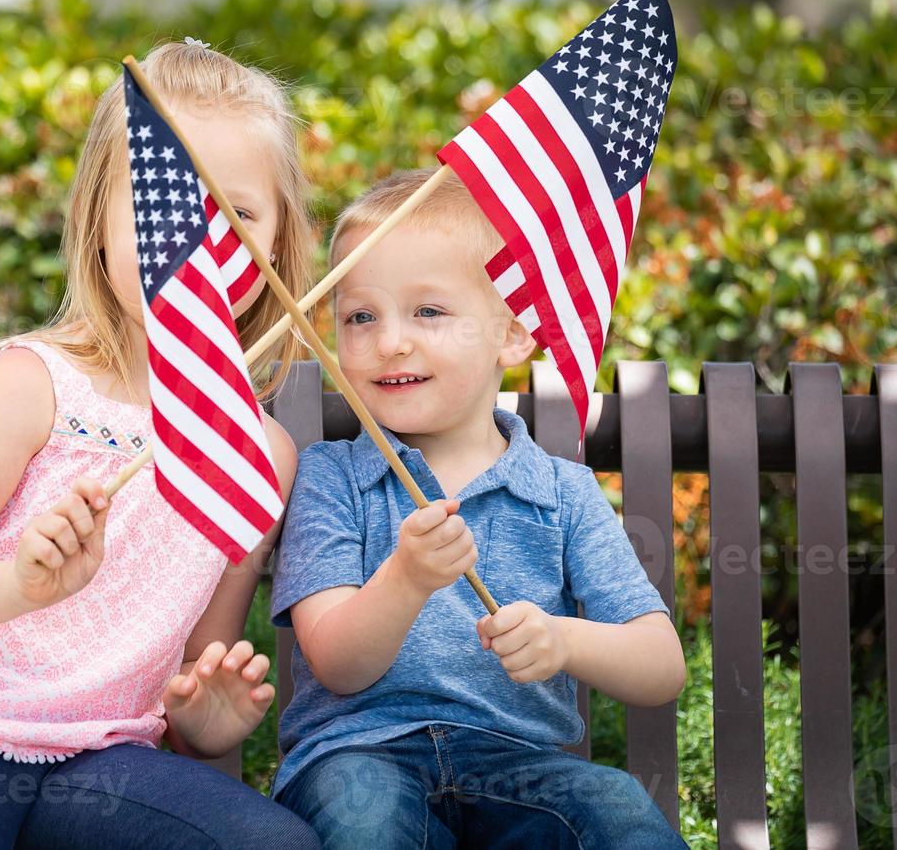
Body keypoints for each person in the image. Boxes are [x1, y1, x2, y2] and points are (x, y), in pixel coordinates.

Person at [0, 40, 322, 849]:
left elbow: (195, 671)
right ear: (98, 218)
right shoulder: (32, 383)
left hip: (101, 757)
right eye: (162, 203)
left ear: (277, 243)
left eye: (236, 212)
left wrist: (206, 717)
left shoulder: (256, 454)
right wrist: (21, 586)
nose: (196, 237)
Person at [270, 168, 688, 848]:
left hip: (519, 764)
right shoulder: (332, 478)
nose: (391, 341)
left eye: (429, 311)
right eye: (359, 316)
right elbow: (338, 664)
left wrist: (564, 639)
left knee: (613, 805)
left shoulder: (561, 491)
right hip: (360, 758)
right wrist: (406, 578)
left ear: (514, 334)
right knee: (366, 822)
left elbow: (660, 664)